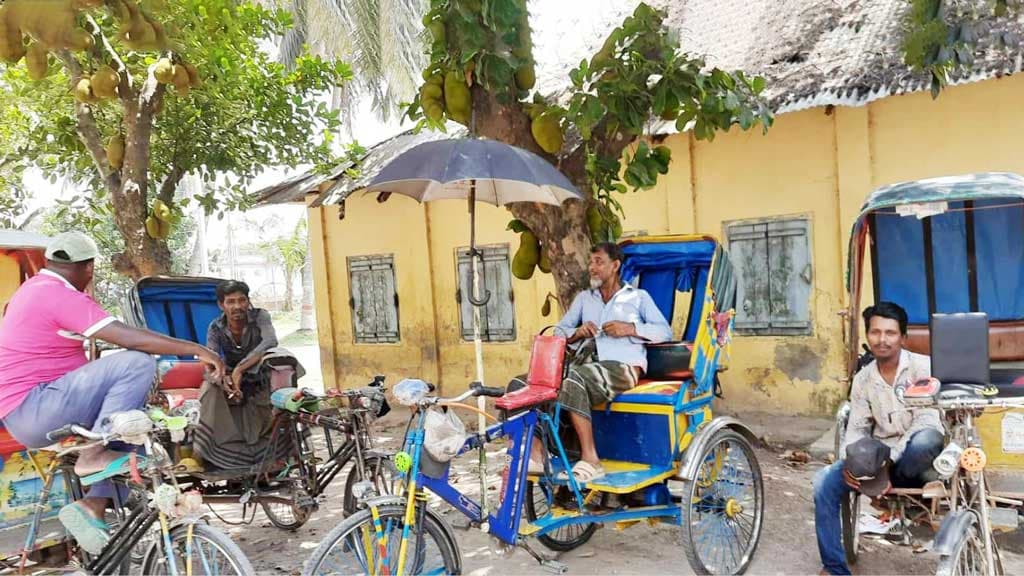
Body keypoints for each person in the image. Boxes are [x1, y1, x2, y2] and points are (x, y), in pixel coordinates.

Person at [0, 231, 224, 554]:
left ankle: (94, 504)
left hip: (33, 408)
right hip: (35, 407)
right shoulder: (56, 295)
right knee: (136, 363)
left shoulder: (34, 290)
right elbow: (128, 339)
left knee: (131, 433)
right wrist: (195, 349)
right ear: (89, 268)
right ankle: (94, 456)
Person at [813, 301, 945, 575]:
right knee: (822, 484)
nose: (882, 339)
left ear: (903, 337)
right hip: (878, 460)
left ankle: (895, 492)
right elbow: (858, 429)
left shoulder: (924, 368)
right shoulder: (862, 379)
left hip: (916, 461)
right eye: (875, 332)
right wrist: (851, 464)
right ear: (868, 335)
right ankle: (835, 568)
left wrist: (889, 461)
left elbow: (927, 420)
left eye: (890, 333)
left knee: (926, 439)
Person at [529, 242, 672, 483]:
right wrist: (578, 332)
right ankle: (536, 453)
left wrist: (630, 328)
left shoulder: (637, 297)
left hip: (623, 367)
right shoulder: (585, 299)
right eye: (591, 262)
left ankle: (591, 459)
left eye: (599, 262)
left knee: (572, 378)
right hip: (587, 365)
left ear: (615, 266)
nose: (592, 268)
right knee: (529, 381)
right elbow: (559, 333)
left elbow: (664, 332)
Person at [193, 280, 295, 471]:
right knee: (208, 387)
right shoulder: (215, 327)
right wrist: (224, 380)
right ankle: (201, 453)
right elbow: (211, 357)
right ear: (221, 305)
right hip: (231, 376)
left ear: (248, 302)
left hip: (261, 373)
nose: (237, 306)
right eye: (231, 302)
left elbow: (270, 341)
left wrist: (240, 369)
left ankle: (285, 452)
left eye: (242, 300)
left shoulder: (260, 316)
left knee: (284, 360)